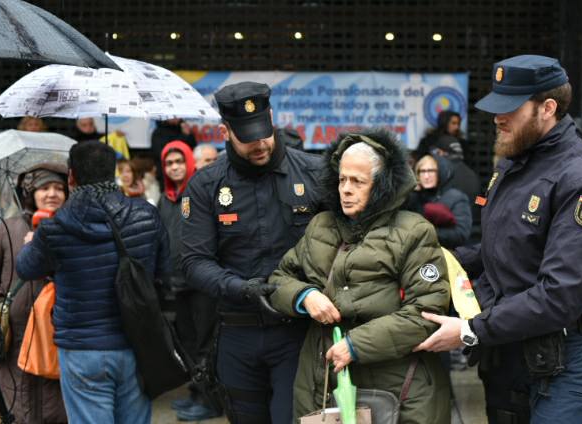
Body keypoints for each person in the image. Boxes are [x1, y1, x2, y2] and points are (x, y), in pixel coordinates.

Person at [414, 55, 582, 424]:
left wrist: (468, 331)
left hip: (558, 362)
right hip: (506, 355)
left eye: (510, 108)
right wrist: (437, 262)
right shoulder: (514, 163)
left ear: (548, 108)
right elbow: (503, 249)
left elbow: (559, 295)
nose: (498, 118)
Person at [268, 129, 451, 423]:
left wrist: (356, 345)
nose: (346, 189)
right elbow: (279, 280)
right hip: (322, 380)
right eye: (342, 179)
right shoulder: (320, 226)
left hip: (396, 387)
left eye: (358, 181)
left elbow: (425, 313)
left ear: (381, 185)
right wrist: (305, 296)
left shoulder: (414, 231)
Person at [181, 81, 322, 423]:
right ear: (225, 131)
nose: (260, 144)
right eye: (247, 136)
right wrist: (238, 287)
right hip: (237, 332)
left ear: (271, 118)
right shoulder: (205, 186)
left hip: (296, 332)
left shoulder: (315, 173)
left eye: (264, 132)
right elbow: (194, 262)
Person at [15, 141, 170, 424]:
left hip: (81, 350)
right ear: (112, 173)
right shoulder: (147, 215)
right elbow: (164, 274)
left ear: (71, 177)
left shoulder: (55, 226)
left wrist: (32, 242)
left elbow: (25, 268)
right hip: (138, 344)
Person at [0, 163, 68, 423]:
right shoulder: (7, 229)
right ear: (31, 192)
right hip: (16, 338)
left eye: (59, 188)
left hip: (57, 335)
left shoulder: (73, 229)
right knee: (17, 406)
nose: (52, 193)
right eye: (44, 188)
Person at [158, 141, 221, 421]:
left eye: (179, 162)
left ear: (189, 163)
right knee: (188, 343)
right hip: (177, 284)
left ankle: (211, 400)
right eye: (169, 163)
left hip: (201, 284)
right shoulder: (165, 198)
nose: (174, 168)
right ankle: (197, 393)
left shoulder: (201, 192)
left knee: (206, 342)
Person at [407, 154, 472, 249]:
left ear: (441, 172)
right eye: (422, 171)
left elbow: (461, 234)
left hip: (447, 254)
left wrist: (427, 233)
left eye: (431, 171)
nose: (426, 176)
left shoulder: (456, 197)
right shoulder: (414, 197)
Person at [151, 118, 195, 186]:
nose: (175, 118)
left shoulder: (183, 130)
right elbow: (161, 153)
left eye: (177, 116)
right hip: (165, 177)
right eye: (172, 116)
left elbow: (192, 148)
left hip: (186, 175)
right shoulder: (159, 132)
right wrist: (184, 136)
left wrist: (188, 135)